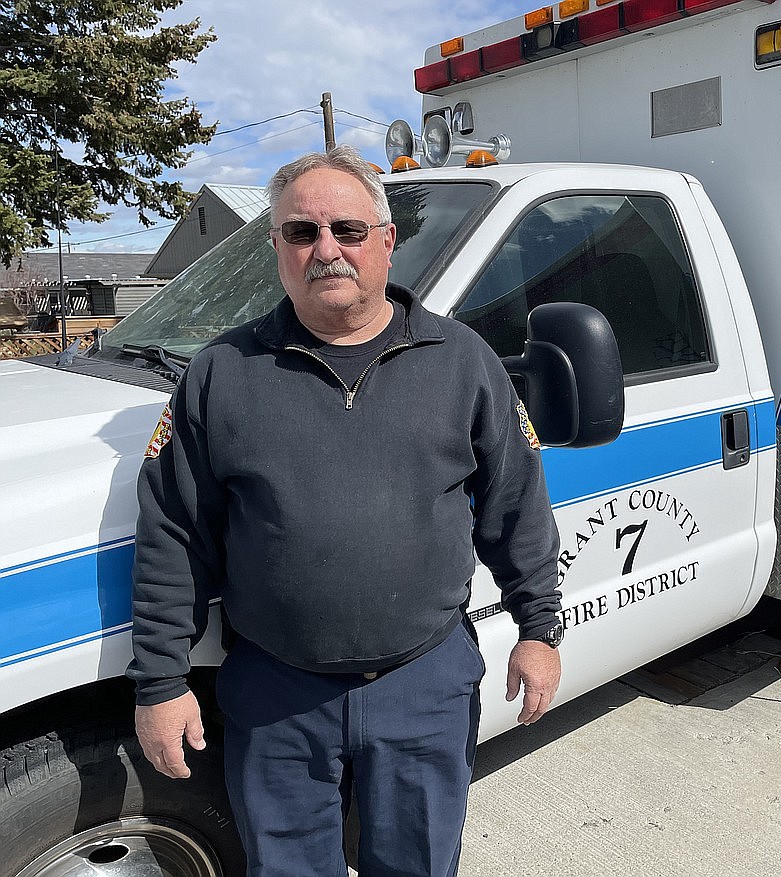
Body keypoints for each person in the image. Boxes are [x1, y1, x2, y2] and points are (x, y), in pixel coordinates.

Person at [128, 145, 565, 877]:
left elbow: (517, 507)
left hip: (423, 683)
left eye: (347, 230)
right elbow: (172, 531)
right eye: (301, 233)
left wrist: (539, 627)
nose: (325, 249)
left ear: (387, 241)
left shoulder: (462, 361)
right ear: (277, 249)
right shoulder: (221, 374)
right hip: (275, 693)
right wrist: (161, 683)